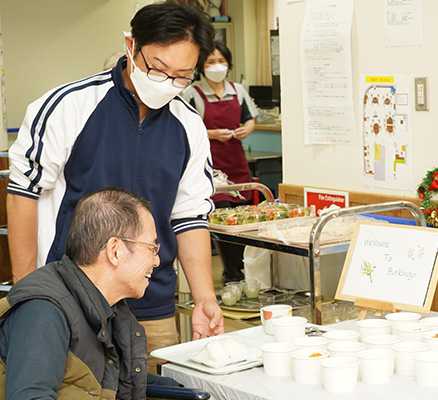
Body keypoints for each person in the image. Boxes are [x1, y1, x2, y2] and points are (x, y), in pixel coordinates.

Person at [6, 2, 224, 374]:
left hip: (152, 305)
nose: (167, 83)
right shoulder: (68, 106)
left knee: (154, 390)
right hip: (67, 303)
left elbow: (190, 217)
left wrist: (204, 296)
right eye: (157, 68)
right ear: (130, 46)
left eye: (182, 76)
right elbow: (22, 195)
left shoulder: (189, 126)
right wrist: (27, 293)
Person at [0, 187, 158, 398]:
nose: (156, 261)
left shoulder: (109, 306)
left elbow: (120, 380)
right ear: (115, 251)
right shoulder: (44, 309)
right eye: (151, 248)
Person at [182, 41, 259, 284]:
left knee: (243, 218)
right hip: (211, 167)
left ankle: (243, 270)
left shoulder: (238, 90)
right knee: (222, 217)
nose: (217, 66)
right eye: (211, 62)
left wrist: (246, 130)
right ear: (201, 67)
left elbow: (250, 118)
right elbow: (185, 128)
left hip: (237, 163)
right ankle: (231, 271)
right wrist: (213, 134)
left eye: (222, 61)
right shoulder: (192, 93)